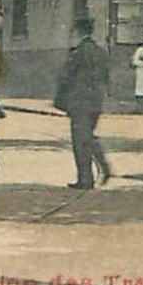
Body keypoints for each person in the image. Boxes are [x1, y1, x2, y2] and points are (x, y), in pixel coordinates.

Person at [56, 15, 112, 189]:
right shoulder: (100, 51)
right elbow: (105, 76)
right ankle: (103, 167)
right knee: (87, 137)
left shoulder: (77, 53)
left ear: (78, 33)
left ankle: (86, 178)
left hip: (79, 102)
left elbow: (66, 78)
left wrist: (61, 99)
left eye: (72, 32)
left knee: (80, 141)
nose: (70, 36)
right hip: (95, 101)